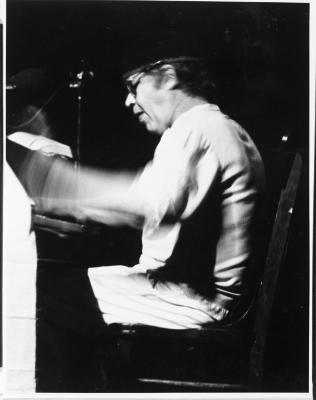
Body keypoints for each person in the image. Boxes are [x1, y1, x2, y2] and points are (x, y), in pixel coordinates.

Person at [8, 38, 265, 392]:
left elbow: (142, 205)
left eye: (134, 86)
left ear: (170, 77)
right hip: (192, 295)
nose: (129, 100)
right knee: (54, 284)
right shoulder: (218, 128)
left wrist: (33, 172)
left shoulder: (199, 129)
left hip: (192, 303)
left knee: (27, 290)